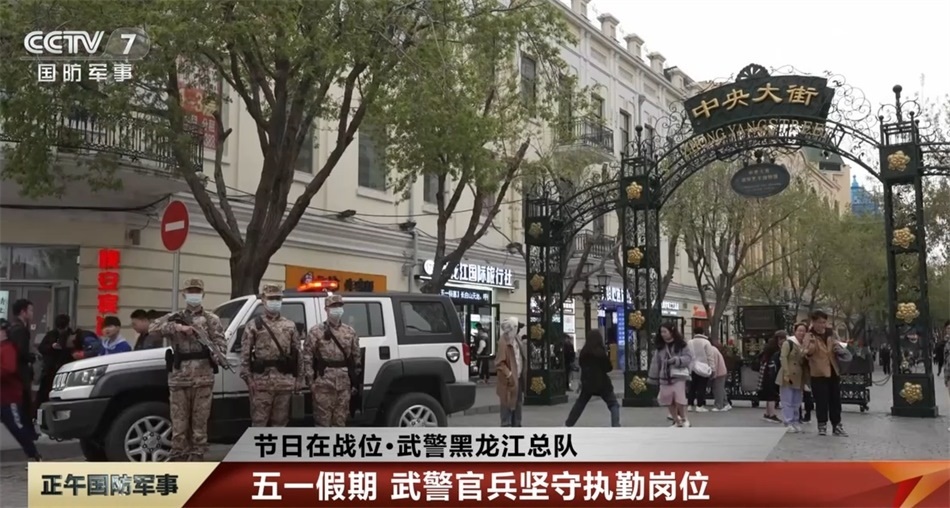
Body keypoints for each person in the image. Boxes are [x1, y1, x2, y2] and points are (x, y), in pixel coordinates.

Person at [149, 278, 227, 461]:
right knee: (179, 423)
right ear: (184, 294)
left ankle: (197, 456)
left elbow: (221, 344)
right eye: (190, 291)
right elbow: (152, 329)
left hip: (203, 378)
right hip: (179, 378)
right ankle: (179, 456)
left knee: (200, 424)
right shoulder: (174, 317)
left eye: (197, 291)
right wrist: (178, 328)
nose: (194, 295)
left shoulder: (211, 319)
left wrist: (217, 354)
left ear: (203, 294)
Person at [241, 284, 300, 427]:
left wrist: (299, 379)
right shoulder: (253, 325)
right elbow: (245, 354)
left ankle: (277, 443)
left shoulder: (290, 325)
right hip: (261, 382)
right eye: (271, 298)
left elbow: (298, 353)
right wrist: (249, 379)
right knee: (259, 423)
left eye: (278, 298)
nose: (275, 301)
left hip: (284, 382)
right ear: (263, 300)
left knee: (280, 423)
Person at [302, 294, 361, 427]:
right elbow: (307, 357)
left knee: (340, 422)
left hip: (344, 384)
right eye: (333, 306)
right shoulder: (316, 332)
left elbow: (356, 358)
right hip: (323, 383)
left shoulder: (350, 332)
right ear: (326, 309)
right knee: (322, 423)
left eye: (339, 306)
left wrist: (354, 382)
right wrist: (311, 383)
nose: (337, 309)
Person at [0, 319, 43, 464]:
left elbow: (9, 369)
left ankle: (33, 454)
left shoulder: (8, 348)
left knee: (16, 427)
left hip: (9, 397)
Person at [802, 310, 848, 437]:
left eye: (823, 322)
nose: (822, 325)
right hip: (818, 372)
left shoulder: (831, 333)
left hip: (833, 371)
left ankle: (837, 425)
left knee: (835, 400)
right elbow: (807, 352)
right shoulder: (809, 335)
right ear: (813, 322)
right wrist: (811, 345)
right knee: (821, 401)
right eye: (819, 322)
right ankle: (822, 425)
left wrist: (838, 347)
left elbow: (838, 344)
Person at [564, 330, 620, 427]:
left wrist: (581, 382)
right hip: (602, 383)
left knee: (580, 404)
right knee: (613, 404)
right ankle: (615, 425)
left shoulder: (584, 353)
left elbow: (581, 366)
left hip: (588, 383)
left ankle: (569, 424)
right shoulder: (601, 353)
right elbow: (608, 368)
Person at [647, 323, 693, 427]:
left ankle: (684, 419)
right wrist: (653, 378)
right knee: (668, 400)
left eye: (665, 332)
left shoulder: (682, 345)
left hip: (678, 376)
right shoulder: (660, 347)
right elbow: (655, 363)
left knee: (679, 399)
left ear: (671, 332)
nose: (663, 334)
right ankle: (677, 421)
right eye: (661, 332)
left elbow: (688, 358)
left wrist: (677, 360)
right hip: (664, 376)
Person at [7, 299, 37, 439]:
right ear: (23, 312)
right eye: (30, 310)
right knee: (24, 402)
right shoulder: (20, 330)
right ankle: (28, 432)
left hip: (17, 371)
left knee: (23, 402)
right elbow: (20, 352)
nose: (32, 313)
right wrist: (32, 357)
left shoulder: (14, 327)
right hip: (20, 371)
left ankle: (28, 431)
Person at [36, 314, 73, 412]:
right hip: (50, 370)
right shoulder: (51, 335)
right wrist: (52, 347)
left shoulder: (71, 335)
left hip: (65, 368)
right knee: (45, 393)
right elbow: (41, 348)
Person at [495, 317, 526, 427]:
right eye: (518, 328)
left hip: (518, 378)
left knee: (518, 403)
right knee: (507, 403)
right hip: (508, 381)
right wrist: (509, 374)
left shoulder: (517, 339)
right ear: (513, 328)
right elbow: (499, 363)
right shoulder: (503, 342)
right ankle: (506, 426)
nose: (519, 330)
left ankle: (517, 425)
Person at [777, 326, 807, 433]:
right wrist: (786, 372)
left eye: (804, 331)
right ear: (795, 332)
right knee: (787, 400)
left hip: (799, 375)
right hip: (788, 375)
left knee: (797, 401)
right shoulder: (788, 343)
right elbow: (783, 357)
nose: (801, 333)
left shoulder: (804, 344)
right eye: (799, 330)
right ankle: (788, 422)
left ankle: (795, 421)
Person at [686, 326, 715, 412]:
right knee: (701, 387)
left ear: (694, 333)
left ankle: (690, 404)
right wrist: (713, 368)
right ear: (703, 333)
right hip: (703, 367)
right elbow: (710, 356)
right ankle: (699, 405)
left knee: (692, 387)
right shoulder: (706, 342)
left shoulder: (690, 342)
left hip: (692, 367)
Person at [757, 333, 784, 423]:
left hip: (766, 371)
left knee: (769, 394)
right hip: (771, 373)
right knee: (772, 394)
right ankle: (771, 414)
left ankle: (768, 413)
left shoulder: (769, 347)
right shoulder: (775, 350)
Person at [708, 340, 730, 411]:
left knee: (717, 389)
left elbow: (714, 363)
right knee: (720, 388)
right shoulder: (714, 349)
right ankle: (725, 403)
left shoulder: (711, 350)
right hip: (721, 371)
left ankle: (719, 405)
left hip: (719, 372)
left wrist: (713, 374)